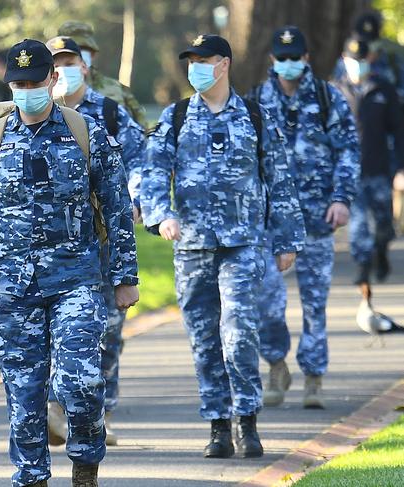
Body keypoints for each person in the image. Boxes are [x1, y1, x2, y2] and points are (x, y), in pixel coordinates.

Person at [0, 39, 139, 487]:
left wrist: (125, 276)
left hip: (76, 280)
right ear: (9, 85)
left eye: (36, 82)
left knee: (81, 382)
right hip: (13, 288)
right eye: (19, 84)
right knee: (24, 395)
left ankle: (86, 465)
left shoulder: (86, 133)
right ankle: (31, 476)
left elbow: (116, 208)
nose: (28, 90)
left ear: (53, 80)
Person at [142, 34, 305, 459]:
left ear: (224, 64)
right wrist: (162, 215)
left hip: (242, 243)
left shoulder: (255, 116)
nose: (196, 66)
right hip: (193, 247)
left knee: (238, 332)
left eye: (204, 59)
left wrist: (286, 238)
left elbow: (279, 180)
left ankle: (246, 420)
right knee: (203, 338)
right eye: (191, 59)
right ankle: (217, 425)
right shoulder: (175, 117)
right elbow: (152, 173)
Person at [247, 26, 360, 408]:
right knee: (266, 299)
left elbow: (348, 151)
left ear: (307, 58)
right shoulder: (256, 101)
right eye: (283, 57)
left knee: (315, 303)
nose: (289, 63)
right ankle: (276, 363)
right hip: (269, 222)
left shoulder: (329, 99)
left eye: (296, 56)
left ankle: (313, 375)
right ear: (272, 60)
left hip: (316, 218)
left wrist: (342, 198)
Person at [43, 35, 146, 447]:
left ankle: (99, 413)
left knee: (107, 328)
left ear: (84, 66)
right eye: (57, 63)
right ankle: (54, 407)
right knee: (54, 328)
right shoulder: (30, 114)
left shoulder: (109, 113)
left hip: (102, 241)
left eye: (71, 61)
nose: (65, 69)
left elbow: (142, 156)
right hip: (52, 245)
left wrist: (135, 195)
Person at [332, 38, 404, 287]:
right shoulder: (335, 92)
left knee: (384, 222)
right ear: (344, 60)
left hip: (380, 167)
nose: (358, 66)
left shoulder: (383, 89)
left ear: (369, 61)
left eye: (362, 61)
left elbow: (398, 130)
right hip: (350, 170)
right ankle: (363, 266)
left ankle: (381, 252)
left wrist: (400, 168)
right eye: (353, 61)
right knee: (359, 223)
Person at [57, 21, 147, 127]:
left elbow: (142, 129)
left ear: (93, 54)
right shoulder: (45, 91)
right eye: (73, 50)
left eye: (83, 49)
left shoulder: (116, 88)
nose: (78, 53)